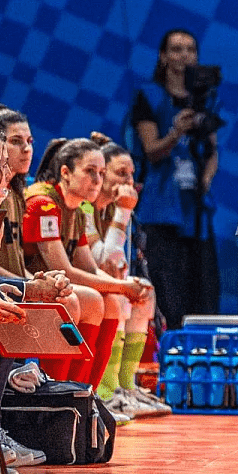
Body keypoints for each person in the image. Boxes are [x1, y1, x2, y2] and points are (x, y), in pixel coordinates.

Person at [23, 138, 151, 389]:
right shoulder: (43, 204)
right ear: (66, 173)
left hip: (58, 284)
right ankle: (58, 393)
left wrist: (122, 286)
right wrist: (122, 287)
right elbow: (65, 270)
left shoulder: (78, 212)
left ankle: (91, 394)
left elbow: (90, 268)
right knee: (91, 300)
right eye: (90, 171)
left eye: (101, 173)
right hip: (31, 282)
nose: (97, 180)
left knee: (112, 303)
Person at [129, 28, 222, 329]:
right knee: (169, 292)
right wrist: (177, 132)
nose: (184, 55)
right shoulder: (149, 96)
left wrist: (206, 178)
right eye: (177, 49)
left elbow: (212, 149)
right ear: (163, 56)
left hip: (195, 211)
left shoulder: (204, 99)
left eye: (190, 49)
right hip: (161, 209)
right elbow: (152, 151)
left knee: (204, 292)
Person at [83, 133, 169, 418]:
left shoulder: (111, 208)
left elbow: (117, 265)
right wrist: (122, 213)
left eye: (131, 174)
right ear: (101, 173)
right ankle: (107, 392)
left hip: (99, 279)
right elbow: (105, 260)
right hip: (81, 280)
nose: (129, 183)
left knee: (143, 289)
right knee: (119, 294)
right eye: (121, 174)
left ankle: (126, 387)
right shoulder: (85, 206)